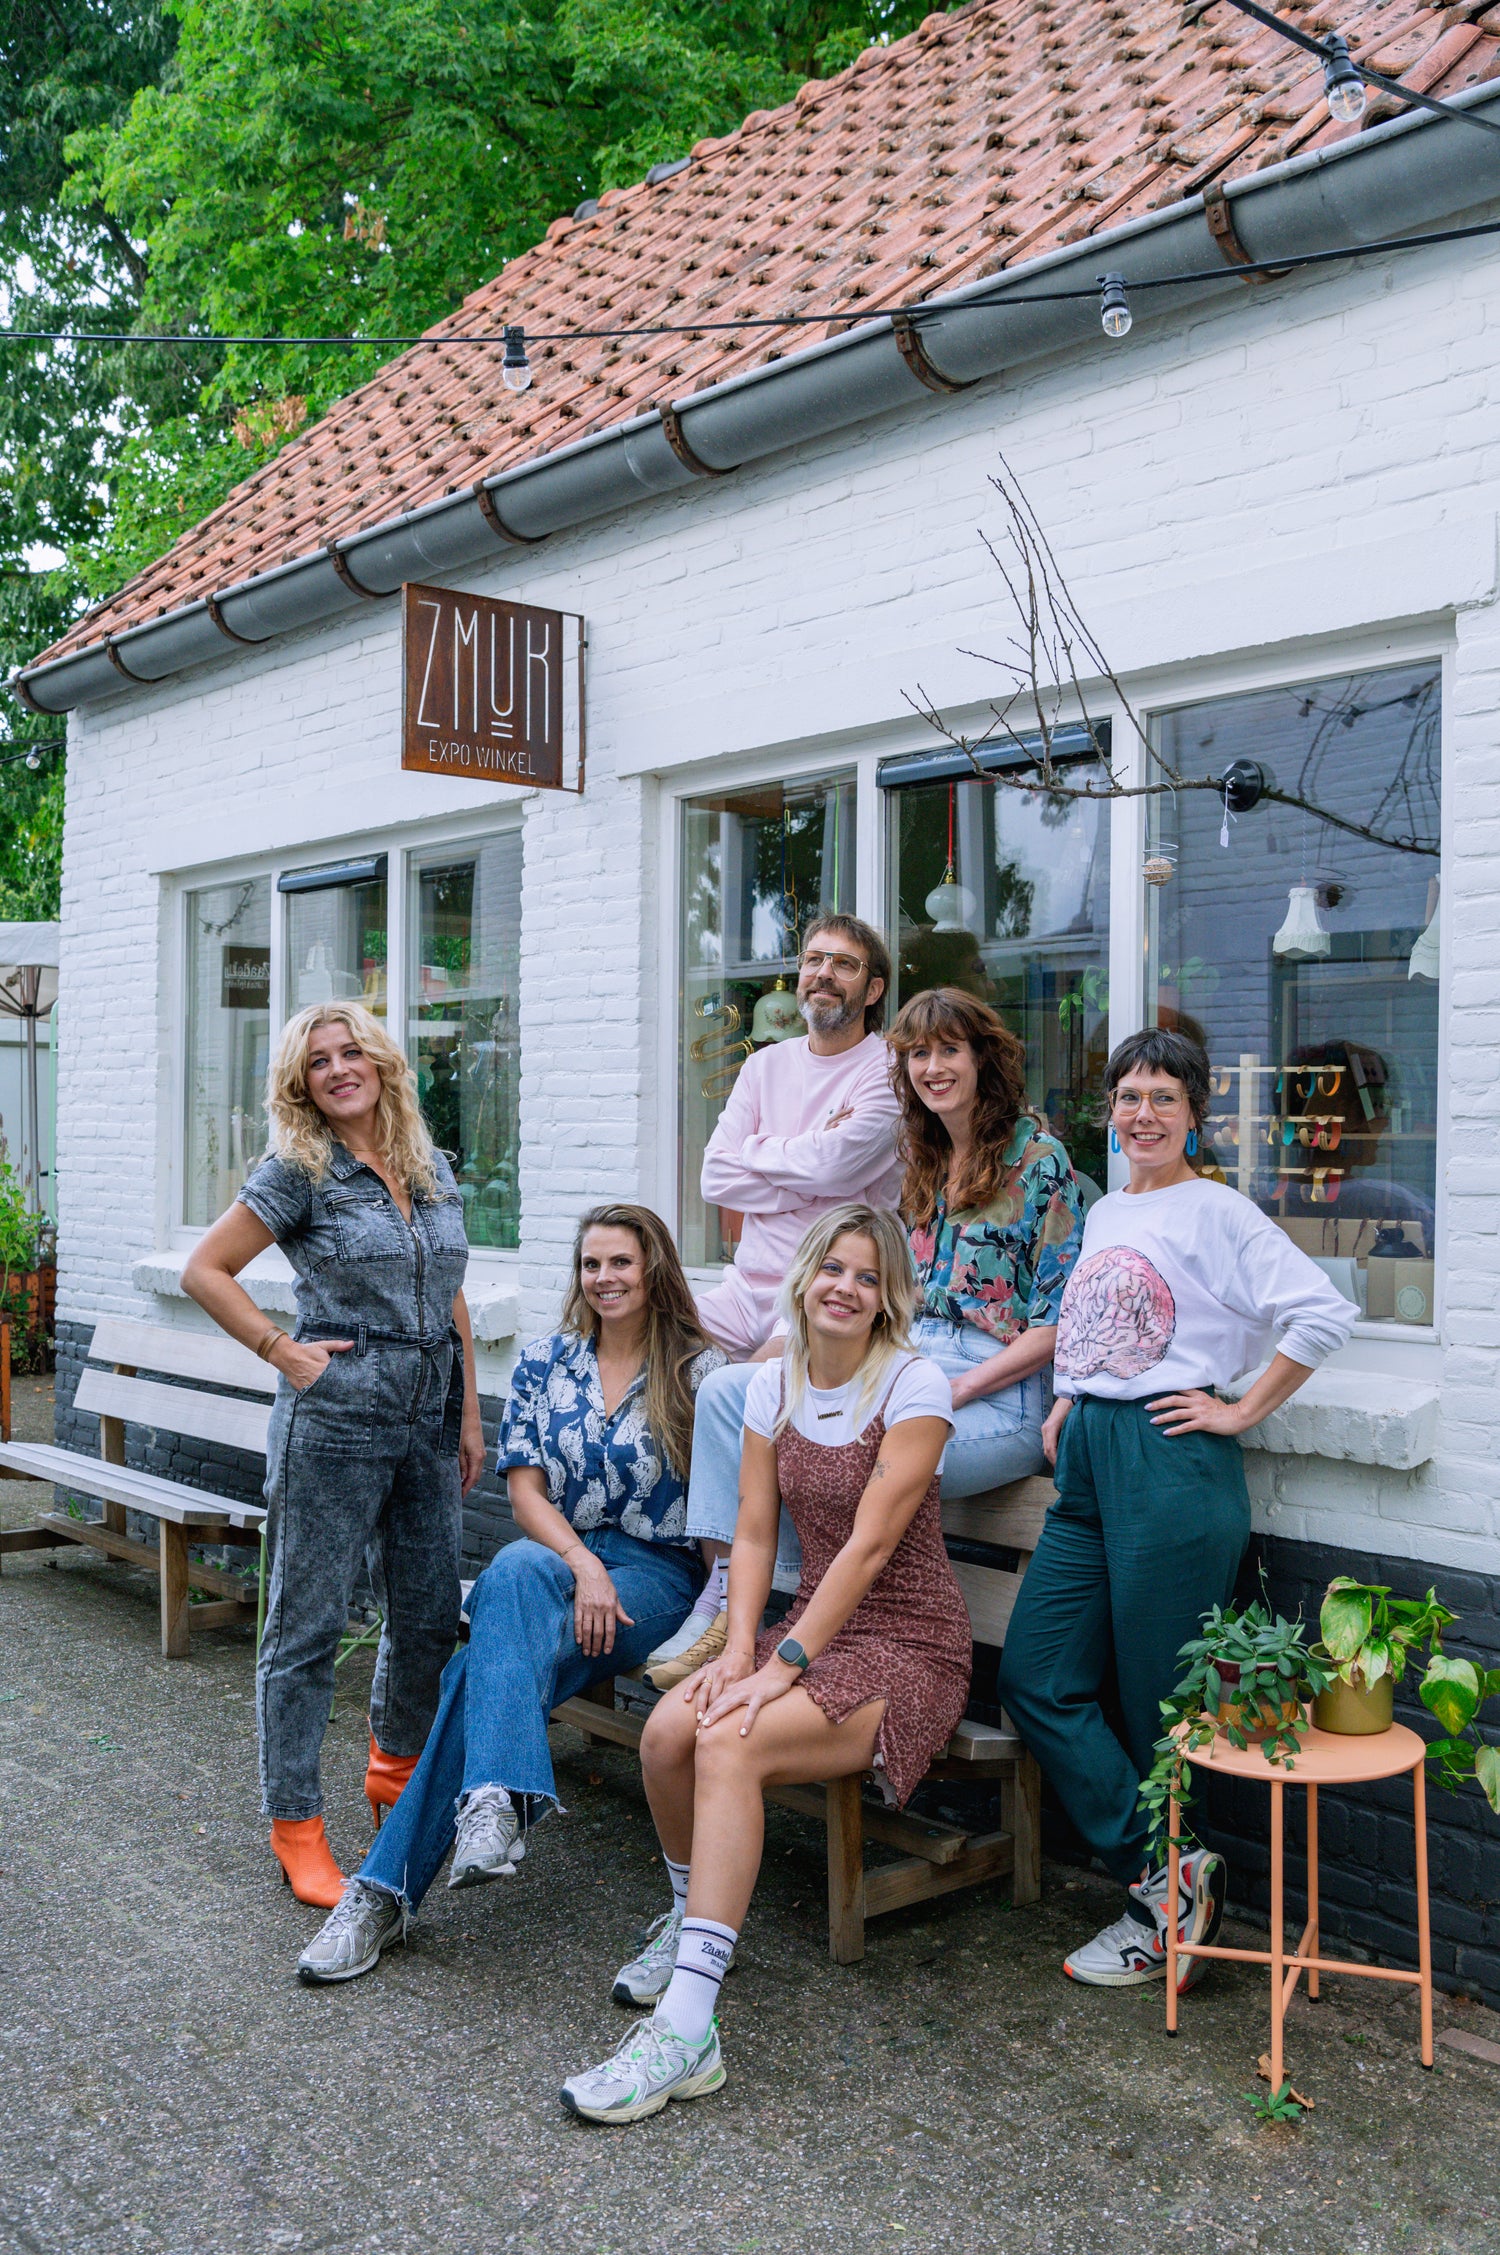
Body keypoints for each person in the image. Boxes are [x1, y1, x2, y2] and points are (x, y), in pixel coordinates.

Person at [559, 1202, 967, 2124]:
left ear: (888, 1297)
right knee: (667, 1734)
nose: (845, 1287)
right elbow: (750, 1531)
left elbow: (868, 1548)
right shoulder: (773, 1382)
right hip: (808, 1630)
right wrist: (739, 1646)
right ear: (806, 1275)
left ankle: (687, 2027)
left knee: (729, 1743)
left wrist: (781, 1662)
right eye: (833, 1267)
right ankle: (691, 1924)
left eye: (868, 1276)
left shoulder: (915, 1386)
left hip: (906, 1643)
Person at [996, 1027, 1357, 1992]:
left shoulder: (1219, 1210)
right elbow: (1101, 1321)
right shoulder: (1111, 1208)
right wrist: (1071, 1392)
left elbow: (1322, 1312)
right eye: (1129, 1096)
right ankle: (1171, 1871)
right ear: (1110, 1111)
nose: (1143, 1113)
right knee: (1036, 1676)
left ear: (1196, 1112)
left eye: (1164, 1096)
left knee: (1158, 1705)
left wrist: (1237, 1409)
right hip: (1091, 1465)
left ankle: (1158, 1910)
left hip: (1171, 1464)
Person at [293, 1203, 724, 1985]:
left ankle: (382, 1892)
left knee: (475, 1666)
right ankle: (492, 1799)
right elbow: (526, 1494)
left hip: (657, 1575)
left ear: (654, 1268)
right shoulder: (545, 1362)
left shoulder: (700, 1372)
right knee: (517, 1569)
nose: (604, 1277)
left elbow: (723, 1512)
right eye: (591, 1263)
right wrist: (581, 1563)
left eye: (621, 1262)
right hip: (560, 1554)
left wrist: (724, 1617)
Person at [182, 1003, 486, 1907]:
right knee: (307, 1627)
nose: (340, 1067)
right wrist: (283, 1350)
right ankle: (296, 1825)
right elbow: (205, 1270)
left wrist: (468, 1413)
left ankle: (395, 1774)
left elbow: (452, 1292)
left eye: (353, 1051)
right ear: (302, 1084)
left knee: (427, 1617)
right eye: (320, 1061)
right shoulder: (298, 1171)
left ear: (382, 1062)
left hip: (429, 1424)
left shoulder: (430, 1165)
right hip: (337, 1422)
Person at [643, 914, 904, 1691]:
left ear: (873, 988)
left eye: (844, 964)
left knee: (738, 1391)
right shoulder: (765, 1067)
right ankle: (689, 1570)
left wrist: (773, 1162)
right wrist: (808, 1169)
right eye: (814, 959)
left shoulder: (886, 1070)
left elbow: (839, 1166)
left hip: (826, 1296)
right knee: (647, 1356)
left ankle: (737, 1595)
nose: (823, 974)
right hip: (747, 1282)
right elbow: (715, 1176)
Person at [889, 986, 1085, 1494]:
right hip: (912, 1368)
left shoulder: (1039, 1160)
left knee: (864, 1463)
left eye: (949, 1049)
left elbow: (1057, 1322)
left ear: (981, 1058)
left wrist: (955, 1390)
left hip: (999, 1390)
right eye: (919, 1053)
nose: (934, 1067)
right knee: (795, 1441)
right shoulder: (925, 1161)